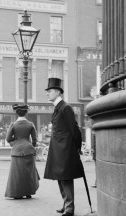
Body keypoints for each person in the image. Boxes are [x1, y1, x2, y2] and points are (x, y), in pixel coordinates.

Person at [43, 78, 84, 216]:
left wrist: (77, 147)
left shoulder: (65, 108)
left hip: (65, 149)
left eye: (49, 91)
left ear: (57, 92)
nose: (47, 94)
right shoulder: (57, 108)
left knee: (66, 177)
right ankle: (65, 203)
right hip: (58, 149)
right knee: (60, 177)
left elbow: (74, 129)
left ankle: (69, 208)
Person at [5, 104, 39, 199]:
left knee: (17, 173)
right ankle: (28, 192)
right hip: (28, 150)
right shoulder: (30, 124)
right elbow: (35, 139)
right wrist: (31, 146)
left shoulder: (13, 125)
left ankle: (17, 193)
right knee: (28, 172)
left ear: (16, 113)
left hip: (16, 151)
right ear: (26, 112)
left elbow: (8, 139)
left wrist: (15, 143)